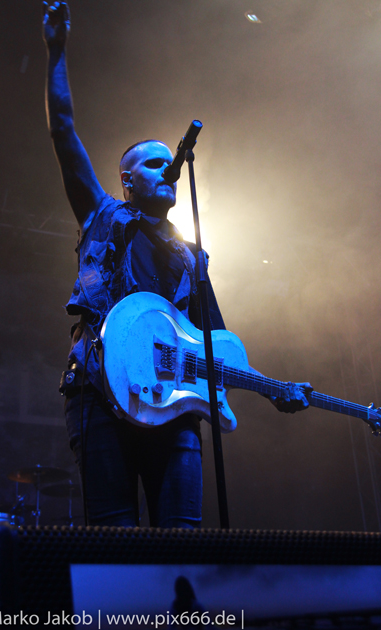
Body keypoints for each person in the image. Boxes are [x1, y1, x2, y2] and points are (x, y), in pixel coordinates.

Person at [42, 1, 312, 528]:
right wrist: (56, 50)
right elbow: (64, 132)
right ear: (127, 181)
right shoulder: (103, 215)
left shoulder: (192, 257)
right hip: (101, 390)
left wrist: (272, 388)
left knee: (182, 542)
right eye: (153, 162)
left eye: (171, 161)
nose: (168, 167)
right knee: (116, 542)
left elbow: (217, 347)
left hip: (175, 404)